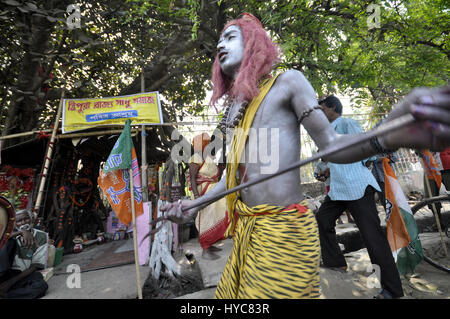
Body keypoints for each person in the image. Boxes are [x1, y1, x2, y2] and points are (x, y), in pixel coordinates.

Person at [160, 12, 450, 299]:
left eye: (230, 37)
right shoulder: (238, 110)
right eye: (219, 41)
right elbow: (237, 179)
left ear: (253, 44)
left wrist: (387, 134)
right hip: (249, 234)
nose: (220, 46)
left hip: (284, 233)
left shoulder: (288, 83)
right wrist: (195, 204)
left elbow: (332, 144)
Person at [315, 95, 404, 299]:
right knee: (323, 219)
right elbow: (328, 162)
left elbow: (367, 151)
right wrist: (325, 170)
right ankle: (335, 261)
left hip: (357, 186)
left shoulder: (346, 123)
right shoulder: (325, 133)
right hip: (338, 189)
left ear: (331, 108)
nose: (318, 114)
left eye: (321, 109)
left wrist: (341, 156)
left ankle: (392, 290)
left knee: (372, 236)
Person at [187, 132, 229, 260]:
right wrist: (197, 197)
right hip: (202, 193)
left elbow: (218, 173)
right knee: (206, 218)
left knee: (213, 217)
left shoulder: (208, 158)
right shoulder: (196, 157)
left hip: (211, 190)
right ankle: (205, 248)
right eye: (207, 142)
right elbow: (193, 178)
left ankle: (210, 244)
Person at [0, 209, 49, 299]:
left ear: (31, 220)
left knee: (41, 285)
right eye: (19, 221)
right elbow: (2, 238)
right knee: (8, 242)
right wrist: (21, 232)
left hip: (21, 275)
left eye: (26, 219)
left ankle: (7, 295)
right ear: (15, 224)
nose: (23, 223)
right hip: (4, 274)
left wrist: (10, 282)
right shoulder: (10, 234)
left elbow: (35, 266)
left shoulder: (41, 236)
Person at [314, 159, 354, 224]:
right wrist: (320, 177)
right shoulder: (319, 164)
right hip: (329, 184)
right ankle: (339, 219)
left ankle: (349, 217)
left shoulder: (332, 160)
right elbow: (316, 175)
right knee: (333, 201)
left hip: (338, 183)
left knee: (345, 199)